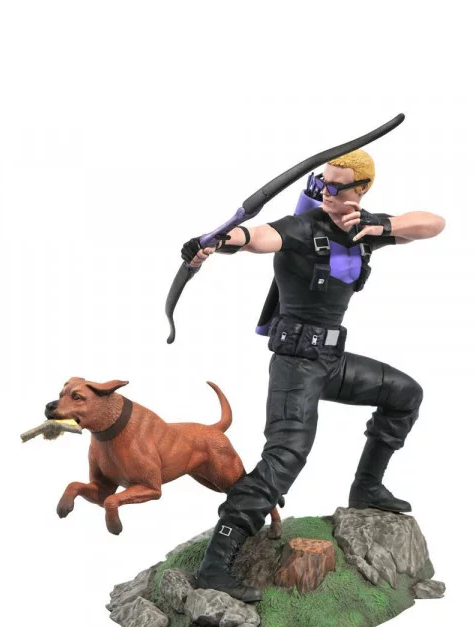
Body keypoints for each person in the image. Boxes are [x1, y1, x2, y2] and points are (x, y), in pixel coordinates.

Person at [181, 149, 445, 602]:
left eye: (337, 186)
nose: (326, 192)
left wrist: (381, 226)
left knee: (404, 394)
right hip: (295, 365)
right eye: (323, 183)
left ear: (362, 189)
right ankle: (215, 563)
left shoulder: (365, 229)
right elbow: (257, 237)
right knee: (285, 456)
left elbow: (433, 224)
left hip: (331, 362)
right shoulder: (303, 227)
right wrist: (220, 240)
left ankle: (367, 488)